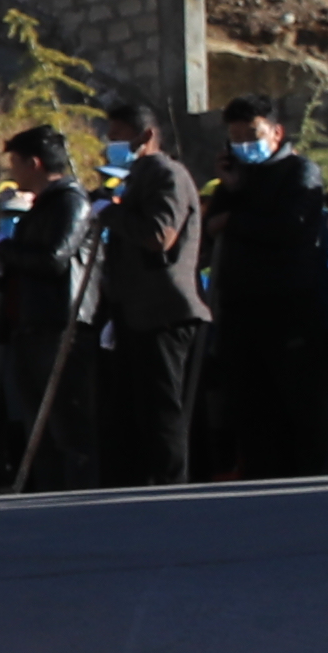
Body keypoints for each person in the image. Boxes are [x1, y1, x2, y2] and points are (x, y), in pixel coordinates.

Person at [203, 102, 328, 481]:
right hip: (241, 307)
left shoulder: (300, 172)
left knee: (299, 401)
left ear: (276, 132)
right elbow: (210, 228)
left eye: (253, 135)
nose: (245, 145)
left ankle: (309, 475)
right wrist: (230, 191)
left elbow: (291, 227)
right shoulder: (237, 180)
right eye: (236, 139)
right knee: (252, 403)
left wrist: (235, 219)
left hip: (291, 305)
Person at [87, 101, 208, 490]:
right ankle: (132, 483)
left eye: (119, 139)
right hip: (133, 310)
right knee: (127, 408)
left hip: (162, 310)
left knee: (160, 407)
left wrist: (111, 213)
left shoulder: (165, 174)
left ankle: (169, 484)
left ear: (146, 136)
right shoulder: (135, 178)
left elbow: (160, 236)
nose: (113, 147)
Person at [0, 125, 95, 490]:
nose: (13, 173)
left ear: (33, 163)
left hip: (59, 325)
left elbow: (54, 258)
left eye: (16, 164)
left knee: (67, 422)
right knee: (40, 428)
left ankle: (77, 495)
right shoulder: (41, 208)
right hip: (31, 324)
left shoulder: (70, 202)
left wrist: (3, 250)